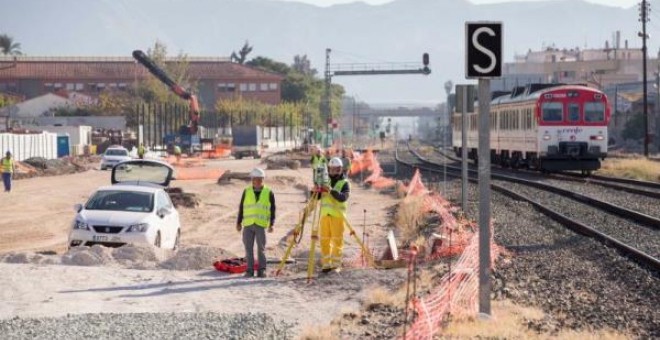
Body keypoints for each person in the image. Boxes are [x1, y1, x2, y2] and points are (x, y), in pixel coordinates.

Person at [236, 168, 276, 278]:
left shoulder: (269, 192)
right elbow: (241, 207)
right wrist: (238, 222)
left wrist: (272, 224)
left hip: (260, 224)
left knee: (261, 249)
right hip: (248, 224)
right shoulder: (247, 191)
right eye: (255, 179)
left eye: (260, 179)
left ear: (263, 179)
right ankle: (249, 270)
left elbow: (273, 209)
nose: (257, 181)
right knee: (248, 248)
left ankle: (261, 270)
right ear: (252, 180)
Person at [319, 157, 350, 273]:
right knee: (324, 241)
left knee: (337, 241)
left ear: (340, 169)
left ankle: (336, 265)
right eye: (331, 170)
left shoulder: (345, 183)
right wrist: (315, 191)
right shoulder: (325, 182)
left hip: (338, 217)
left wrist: (331, 190)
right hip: (324, 216)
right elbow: (317, 197)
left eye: (336, 170)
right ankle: (326, 265)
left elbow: (343, 198)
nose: (333, 172)